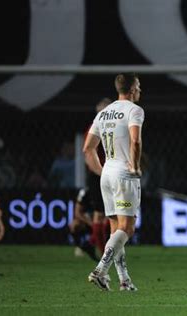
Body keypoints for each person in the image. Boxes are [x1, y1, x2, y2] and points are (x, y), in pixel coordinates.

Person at [84, 73, 144, 292]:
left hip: (107, 173)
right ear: (131, 89)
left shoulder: (103, 113)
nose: (140, 90)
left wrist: (102, 172)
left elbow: (88, 148)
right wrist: (135, 167)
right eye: (138, 86)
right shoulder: (134, 110)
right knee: (127, 228)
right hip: (124, 173)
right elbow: (135, 141)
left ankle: (124, 280)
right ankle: (100, 270)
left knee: (115, 230)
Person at [85, 98, 112, 255]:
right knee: (100, 213)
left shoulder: (109, 128)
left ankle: (94, 242)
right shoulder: (95, 128)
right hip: (100, 174)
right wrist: (101, 172)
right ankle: (103, 252)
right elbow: (88, 153)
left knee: (109, 213)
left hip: (109, 173)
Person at [69, 187, 101, 261]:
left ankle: (94, 247)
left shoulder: (102, 191)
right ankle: (79, 247)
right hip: (87, 220)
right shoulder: (84, 193)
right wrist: (89, 222)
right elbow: (77, 213)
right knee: (74, 225)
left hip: (99, 218)